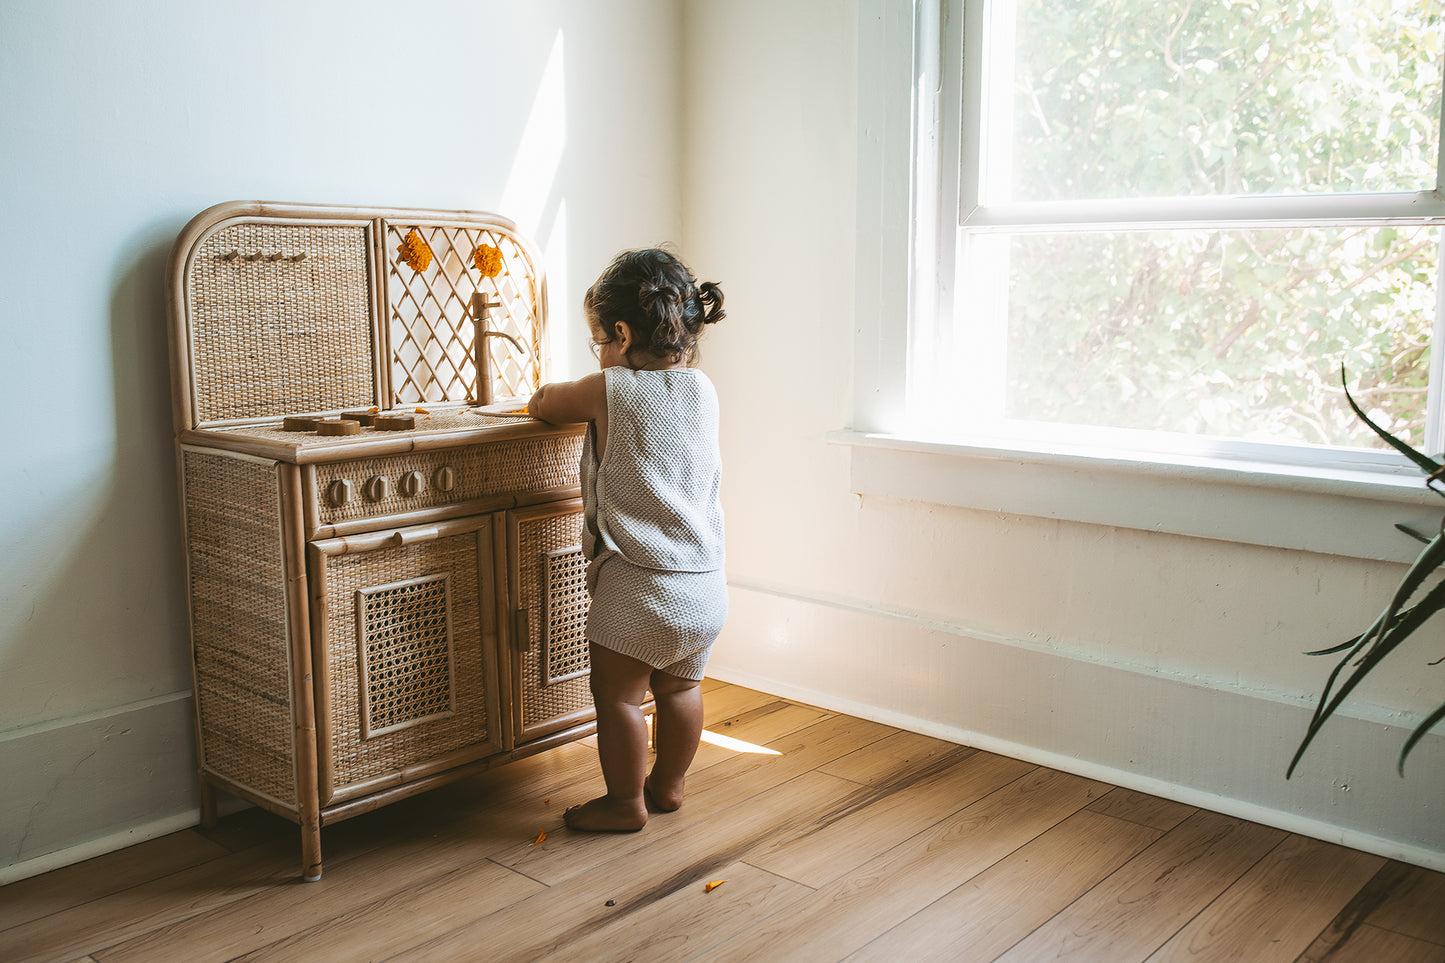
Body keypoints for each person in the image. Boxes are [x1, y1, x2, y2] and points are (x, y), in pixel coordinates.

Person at [528, 248, 727, 832]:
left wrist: (567, 386)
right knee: (679, 689)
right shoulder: (703, 389)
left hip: (641, 587)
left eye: (598, 340)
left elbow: (544, 404)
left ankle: (623, 803)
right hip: (705, 585)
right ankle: (667, 785)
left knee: (617, 697)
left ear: (619, 333)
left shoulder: (608, 389)